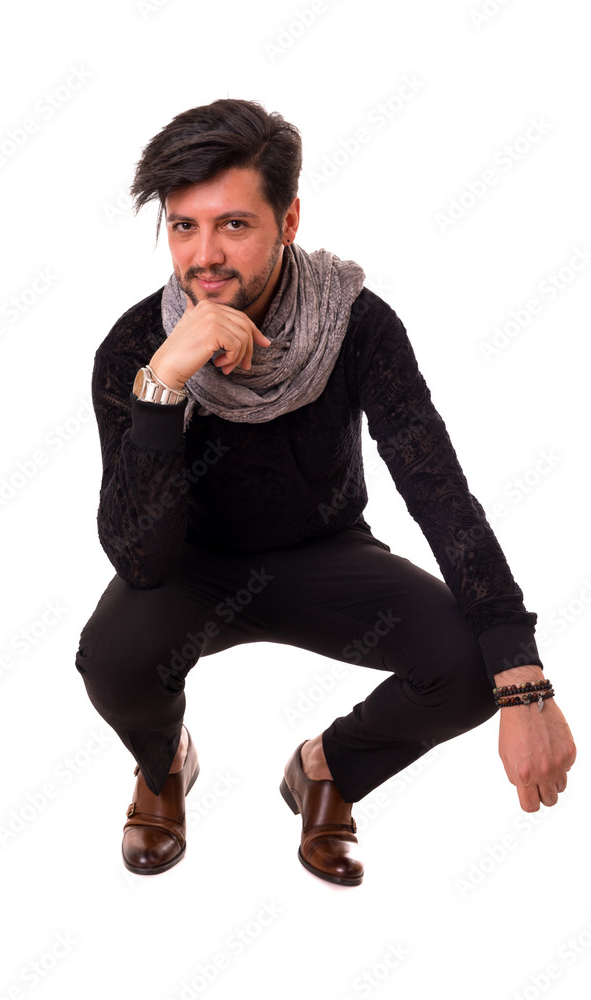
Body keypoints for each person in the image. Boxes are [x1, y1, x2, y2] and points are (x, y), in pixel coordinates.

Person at [74, 98, 576, 887]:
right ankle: (162, 761)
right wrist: (164, 383)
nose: (204, 255)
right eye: (183, 226)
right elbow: (140, 559)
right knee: (112, 661)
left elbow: (437, 488)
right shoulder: (137, 347)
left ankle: (326, 770)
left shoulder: (356, 324)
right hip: (189, 567)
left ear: (289, 219)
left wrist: (522, 677)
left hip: (325, 555)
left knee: (468, 666)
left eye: (234, 225)